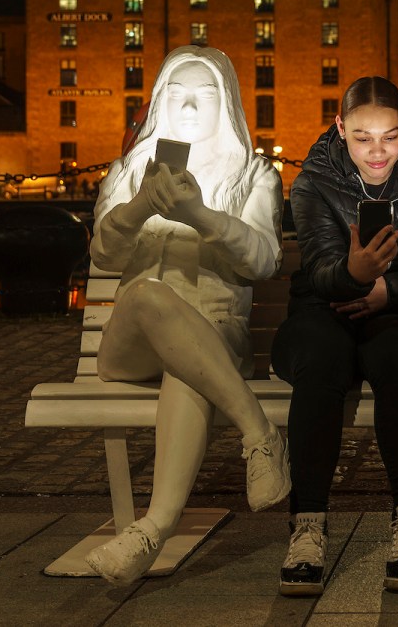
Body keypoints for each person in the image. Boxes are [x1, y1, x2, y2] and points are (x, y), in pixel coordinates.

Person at [83, 45, 288, 585]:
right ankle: (259, 432)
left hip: (213, 338)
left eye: (205, 96)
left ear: (228, 104)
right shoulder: (130, 172)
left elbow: (265, 258)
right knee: (150, 296)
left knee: (190, 365)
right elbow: (103, 255)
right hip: (132, 344)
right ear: (158, 103)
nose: (191, 108)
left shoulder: (255, 175)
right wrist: (141, 205)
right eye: (177, 96)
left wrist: (200, 213)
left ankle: (151, 531)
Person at [272, 76, 398, 595]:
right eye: (364, 135)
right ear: (341, 127)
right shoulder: (314, 181)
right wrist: (354, 270)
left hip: (395, 310)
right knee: (323, 361)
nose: (377, 150)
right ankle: (307, 526)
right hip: (322, 311)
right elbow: (322, 269)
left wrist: (389, 289)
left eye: (390, 136)